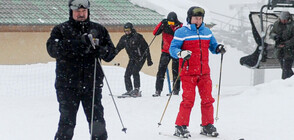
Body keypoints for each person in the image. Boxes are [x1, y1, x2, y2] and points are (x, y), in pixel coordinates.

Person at [46, 0, 116, 139]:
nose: (81, 14)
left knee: (97, 122)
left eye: (84, 11)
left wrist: (101, 51)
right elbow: (52, 49)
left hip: (92, 85)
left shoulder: (98, 30)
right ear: (71, 11)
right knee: (67, 123)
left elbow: (111, 53)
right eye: (78, 11)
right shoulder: (61, 30)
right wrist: (77, 44)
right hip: (67, 85)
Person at [169, 6, 226, 138]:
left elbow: (213, 46)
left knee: (207, 100)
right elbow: (173, 49)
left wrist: (218, 48)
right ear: (190, 18)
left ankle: (207, 125)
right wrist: (180, 53)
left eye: (200, 18)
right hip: (188, 72)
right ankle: (181, 126)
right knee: (188, 100)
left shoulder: (207, 32)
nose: (198, 21)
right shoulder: (181, 32)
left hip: (204, 72)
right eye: (195, 18)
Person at [115, 22, 153, 97]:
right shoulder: (124, 39)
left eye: (128, 30)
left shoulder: (138, 37)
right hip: (132, 58)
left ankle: (136, 90)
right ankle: (129, 90)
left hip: (140, 58)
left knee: (135, 71)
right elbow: (118, 48)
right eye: (125, 31)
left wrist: (149, 60)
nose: (127, 32)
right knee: (127, 74)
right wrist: (110, 55)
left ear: (132, 29)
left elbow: (146, 48)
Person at [152, 12, 183, 97]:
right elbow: (155, 33)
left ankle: (176, 91)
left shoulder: (180, 26)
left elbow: (182, 37)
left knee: (176, 72)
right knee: (161, 71)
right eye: (169, 22)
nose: (171, 24)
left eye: (172, 23)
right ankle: (158, 90)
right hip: (165, 52)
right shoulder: (164, 25)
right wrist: (161, 23)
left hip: (176, 52)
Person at [269, 11, 294, 79]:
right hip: (280, 50)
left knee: (286, 68)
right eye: (282, 19)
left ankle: (284, 81)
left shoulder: (292, 25)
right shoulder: (276, 24)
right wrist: (275, 37)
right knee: (284, 67)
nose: (283, 21)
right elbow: (271, 33)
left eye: (285, 20)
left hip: (290, 51)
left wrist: (286, 44)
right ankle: (289, 80)